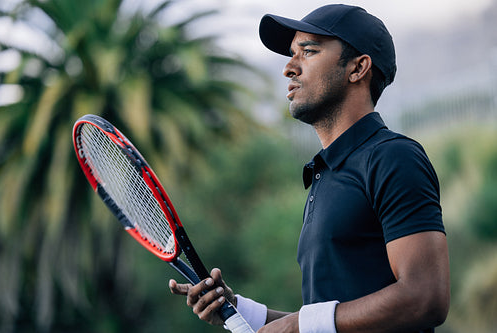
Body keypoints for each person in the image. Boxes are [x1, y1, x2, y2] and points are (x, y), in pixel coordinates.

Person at [169, 4, 450, 333]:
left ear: (358, 68)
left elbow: (425, 297)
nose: (289, 68)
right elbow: (331, 319)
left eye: (309, 51)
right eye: (291, 54)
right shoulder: (324, 175)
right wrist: (237, 310)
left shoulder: (393, 158)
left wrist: (297, 326)